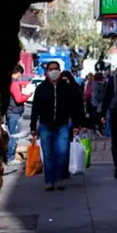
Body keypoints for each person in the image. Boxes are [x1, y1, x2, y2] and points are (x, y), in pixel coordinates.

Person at [30, 61, 85, 191]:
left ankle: (60, 179)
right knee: (48, 155)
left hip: (62, 126)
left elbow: (76, 108)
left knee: (62, 153)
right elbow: (35, 108)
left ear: (60, 71)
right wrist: (33, 126)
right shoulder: (41, 89)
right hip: (45, 125)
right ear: (47, 72)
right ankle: (49, 181)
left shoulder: (67, 89)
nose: (54, 71)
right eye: (51, 69)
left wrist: (78, 124)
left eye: (56, 69)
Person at [6, 65, 29, 164]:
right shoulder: (14, 84)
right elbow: (19, 99)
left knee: (11, 135)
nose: (20, 76)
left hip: (10, 110)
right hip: (15, 112)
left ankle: (9, 156)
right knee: (14, 136)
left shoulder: (8, 82)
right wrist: (27, 96)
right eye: (20, 74)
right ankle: (11, 158)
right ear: (18, 73)